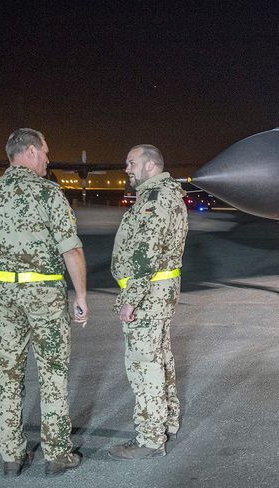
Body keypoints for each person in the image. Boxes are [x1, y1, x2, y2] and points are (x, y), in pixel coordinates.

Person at [0, 128, 88, 477]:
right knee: (53, 374)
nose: (48, 158)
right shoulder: (49, 193)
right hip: (45, 297)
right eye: (45, 152)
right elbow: (71, 249)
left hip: (3, 297)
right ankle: (57, 454)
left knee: (8, 376)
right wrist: (80, 296)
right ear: (30, 152)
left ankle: (11, 456)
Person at [108, 144, 188, 460]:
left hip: (148, 294)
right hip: (159, 291)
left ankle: (150, 439)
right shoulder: (167, 195)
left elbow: (146, 255)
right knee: (160, 357)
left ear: (151, 165)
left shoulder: (156, 201)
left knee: (144, 364)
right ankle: (167, 422)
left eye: (132, 163)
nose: (127, 169)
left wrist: (129, 300)